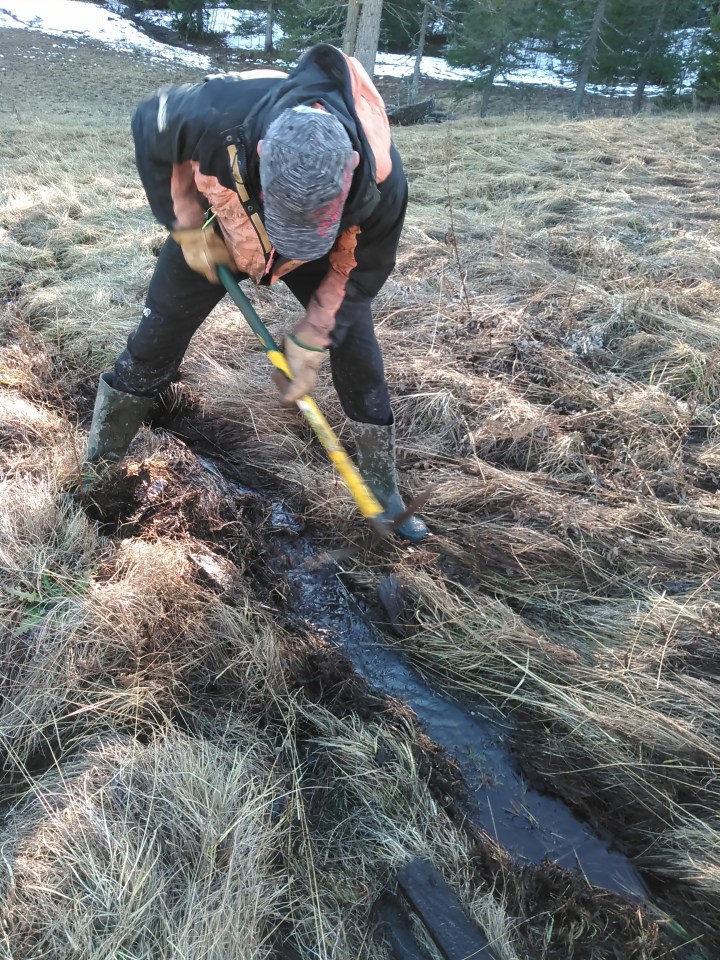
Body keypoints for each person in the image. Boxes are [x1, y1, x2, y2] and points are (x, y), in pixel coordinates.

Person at [85, 42, 427, 543]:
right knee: (158, 335)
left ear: (351, 165)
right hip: (222, 225)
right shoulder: (212, 112)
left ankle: (382, 490)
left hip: (319, 256)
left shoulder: (381, 176)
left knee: (353, 342)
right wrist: (183, 221)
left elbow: (362, 272)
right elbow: (149, 126)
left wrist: (314, 331)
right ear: (263, 153)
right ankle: (100, 466)